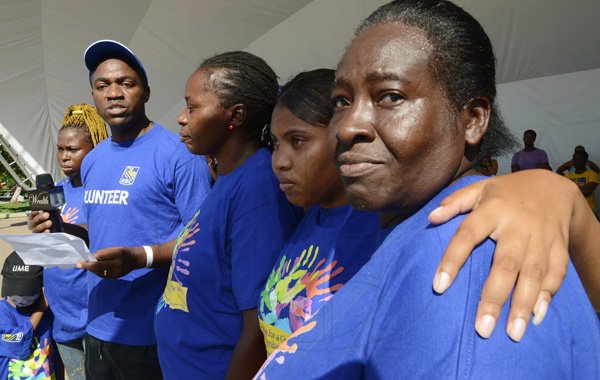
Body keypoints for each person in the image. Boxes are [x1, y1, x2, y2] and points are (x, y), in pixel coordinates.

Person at [256, 1, 600, 378]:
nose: (347, 126)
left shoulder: (470, 255)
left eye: (390, 96)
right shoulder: (392, 224)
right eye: (342, 101)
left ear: (472, 119)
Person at [90, 51, 303, 379]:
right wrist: (139, 256)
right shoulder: (230, 178)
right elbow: (200, 244)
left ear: (236, 115)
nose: (181, 118)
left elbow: (258, 327)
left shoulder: (256, 188)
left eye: (193, 107)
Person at [30, 40, 213, 379]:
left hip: (154, 331)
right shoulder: (93, 161)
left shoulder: (180, 156)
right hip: (96, 326)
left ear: (145, 92)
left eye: (125, 83)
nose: (113, 93)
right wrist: (58, 229)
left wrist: (140, 256)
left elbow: (204, 243)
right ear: (94, 95)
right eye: (103, 86)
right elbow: (99, 232)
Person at [259, 69, 380, 354]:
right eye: (276, 144)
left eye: (297, 141)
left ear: (343, 136)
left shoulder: (379, 229)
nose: (279, 162)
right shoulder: (310, 216)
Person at [43, 103, 108, 380]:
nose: (64, 157)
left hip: (96, 316)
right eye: (60, 149)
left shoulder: (105, 191)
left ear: (94, 148)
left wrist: (74, 229)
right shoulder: (54, 192)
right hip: (63, 317)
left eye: (73, 150)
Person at [0, 252, 59, 379]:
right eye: (16, 289)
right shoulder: (3, 311)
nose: (20, 296)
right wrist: (40, 310)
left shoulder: (50, 311)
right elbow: (17, 345)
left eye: (25, 291)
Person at [563, 150, 599, 215]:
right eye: (574, 159)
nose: (576, 161)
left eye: (579, 159)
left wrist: (570, 189)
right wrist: (582, 188)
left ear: (586, 161)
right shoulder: (567, 176)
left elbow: (587, 192)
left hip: (588, 208)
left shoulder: (592, 174)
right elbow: (564, 193)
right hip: (572, 209)